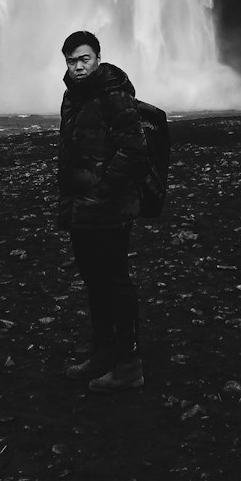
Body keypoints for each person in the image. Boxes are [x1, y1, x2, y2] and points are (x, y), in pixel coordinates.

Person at [57, 30, 148, 393]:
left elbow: (134, 150)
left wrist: (103, 193)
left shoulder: (115, 94)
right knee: (94, 281)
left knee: (114, 281)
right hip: (81, 209)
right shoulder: (72, 98)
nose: (78, 67)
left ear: (97, 57)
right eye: (71, 61)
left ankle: (129, 364)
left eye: (84, 59)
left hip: (108, 209)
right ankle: (103, 354)